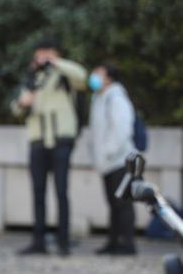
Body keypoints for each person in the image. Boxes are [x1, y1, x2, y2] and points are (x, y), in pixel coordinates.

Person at [11, 39, 88, 256]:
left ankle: (63, 241)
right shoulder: (32, 78)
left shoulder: (64, 75)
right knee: (38, 192)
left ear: (56, 54)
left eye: (47, 53)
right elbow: (16, 108)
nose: (42, 57)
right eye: (39, 53)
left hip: (61, 138)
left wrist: (56, 63)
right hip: (37, 140)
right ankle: (38, 241)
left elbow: (82, 77)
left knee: (61, 191)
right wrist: (22, 103)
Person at [88, 62, 137, 255]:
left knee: (123, 204)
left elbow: (122, 129)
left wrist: (108, 151)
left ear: (109, 78)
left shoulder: (116, 98)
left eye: (98, 73)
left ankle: (128, 244)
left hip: (120, 160)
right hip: (106, 162)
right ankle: (114, 242)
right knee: (113, 203)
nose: (94, 76)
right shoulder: (98, 98)